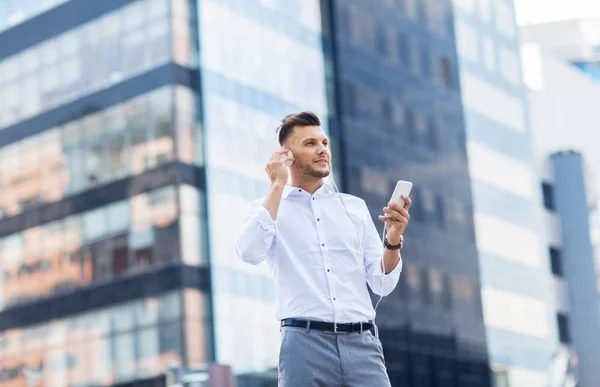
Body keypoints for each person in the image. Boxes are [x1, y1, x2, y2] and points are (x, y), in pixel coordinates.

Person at [235, 111, 412, 387]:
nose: (322, 150)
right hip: (304, 346)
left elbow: (381, 282)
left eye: (324, 143)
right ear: (286, 155)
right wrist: (278, 184)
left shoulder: (353, 208)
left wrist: (393, 238)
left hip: (363, 344)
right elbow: (248, 252)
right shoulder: (266, 208)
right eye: (310, 144)